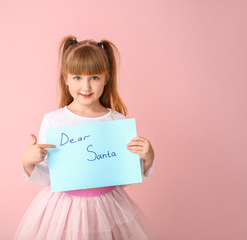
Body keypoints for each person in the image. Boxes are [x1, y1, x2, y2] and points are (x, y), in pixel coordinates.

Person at [14, 35, 155, 240]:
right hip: (62, 209)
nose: (86, 87)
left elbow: (122, 176)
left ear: (106, 78)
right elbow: (48, 176)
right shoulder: (54, 121)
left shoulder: (116, 121)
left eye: (94, 77)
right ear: (66, 78)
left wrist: (147, 157)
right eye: (77, 77)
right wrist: (28, 161)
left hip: (107, 207)